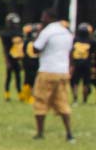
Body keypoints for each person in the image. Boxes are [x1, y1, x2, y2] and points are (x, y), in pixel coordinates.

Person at [32, 8, 75, 141]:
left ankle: (40, 133)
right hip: (62, 71)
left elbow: (35, 48)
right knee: (62, 102)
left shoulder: (47, 31)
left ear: (49, 18)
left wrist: (39, 33)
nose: (41, 20)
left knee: (41, 101)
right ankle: (69, 133)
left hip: (47, 70)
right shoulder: (66, 32)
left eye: (43, 17)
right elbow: (70, 51)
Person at [0, 12, 24, 101]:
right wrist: (7, 61)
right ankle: (7, 94)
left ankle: (20, 94)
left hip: (17, 57)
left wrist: (22, 59)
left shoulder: (19, 33)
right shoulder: (6, 34)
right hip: (10, 57)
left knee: (18, 77)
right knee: (9, 77)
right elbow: (5, 49)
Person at [71, 23, 95, 103]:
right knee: (86, 82)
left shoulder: (75, 40)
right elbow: (94, 51)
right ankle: (84, 100)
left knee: (75, 82)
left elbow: (71, 51)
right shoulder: (90, 41)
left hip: (77, 63)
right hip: (86, 64)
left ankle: (75, 99)